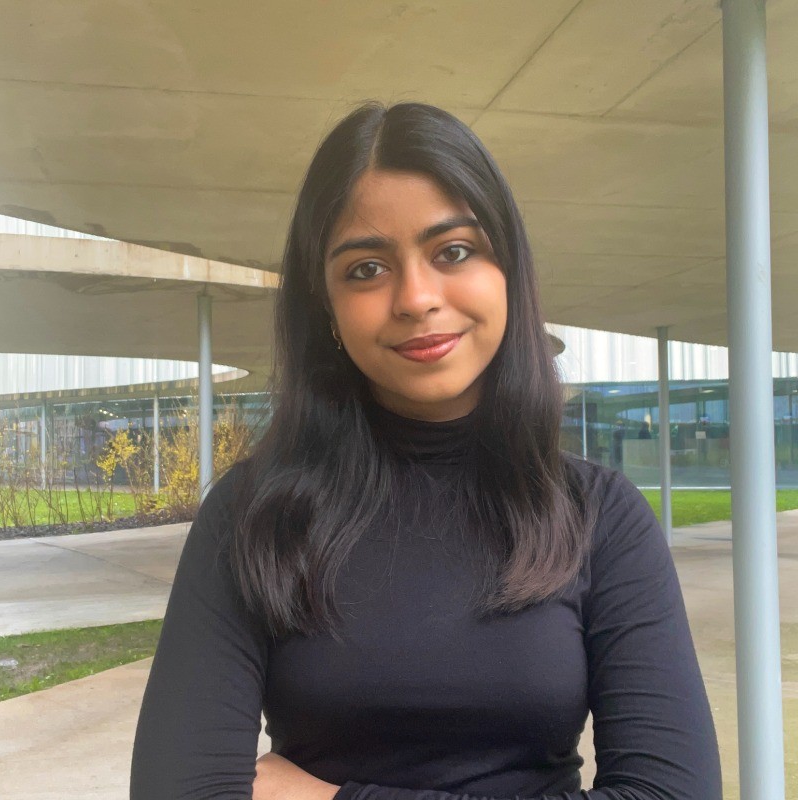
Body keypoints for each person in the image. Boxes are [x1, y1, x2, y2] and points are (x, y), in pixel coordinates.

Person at [131, 102, 721, 800]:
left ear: (508, 269)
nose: (415, 298)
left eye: (454, 252)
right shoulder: (253, 513)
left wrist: (328, 798)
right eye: (365, 268)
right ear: (325, 305)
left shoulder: (599, 516)